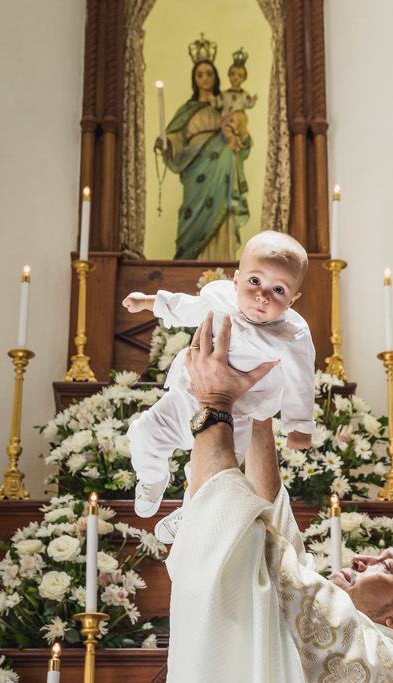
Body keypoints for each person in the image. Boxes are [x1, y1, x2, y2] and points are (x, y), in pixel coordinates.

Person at [164, 312, 393, 682]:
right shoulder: (389, 662)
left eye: (386, 566)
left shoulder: (373, 659)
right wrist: (260, 411)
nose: (363, 559)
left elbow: (238, 548)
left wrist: (215, 401)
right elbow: (284, 564)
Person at [122, 231, 315, 543]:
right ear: (236, 281)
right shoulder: (221, 299)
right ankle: (152, 475)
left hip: (237, 415)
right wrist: (149, 302)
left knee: (217, 476)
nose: (262, 296)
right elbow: (186, 306)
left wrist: (299, 425)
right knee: (143, 432)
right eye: (255, 282)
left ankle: (190, 513)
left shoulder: (291, 335)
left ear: (292, 300)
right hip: (188, 396)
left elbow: (302, 380)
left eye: (277, 290)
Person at [156, 57, 251, 260]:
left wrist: (239, 136)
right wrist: (166, 144)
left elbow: (242, 141)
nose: (205, 79)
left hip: (222, 172)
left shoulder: (225, 107)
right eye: (200, 74)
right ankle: (190, 262)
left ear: (216, 77)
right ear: (194, 79)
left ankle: (221, 262)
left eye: (209, 74)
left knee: (222, 217)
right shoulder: (187, 110)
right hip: (195, 172)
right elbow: (174, 138)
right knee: (191, 215)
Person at [216, 48, 257, 145]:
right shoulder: (225, 94)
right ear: (229, 76)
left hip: (238, 123)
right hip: (225, 121)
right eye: (233, 74)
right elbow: (218, 102)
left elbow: (248, 104)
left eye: (239, 76)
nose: (235, 78)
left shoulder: (244, 94)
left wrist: (252, 101)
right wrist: (213, 101)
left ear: (244, 78)